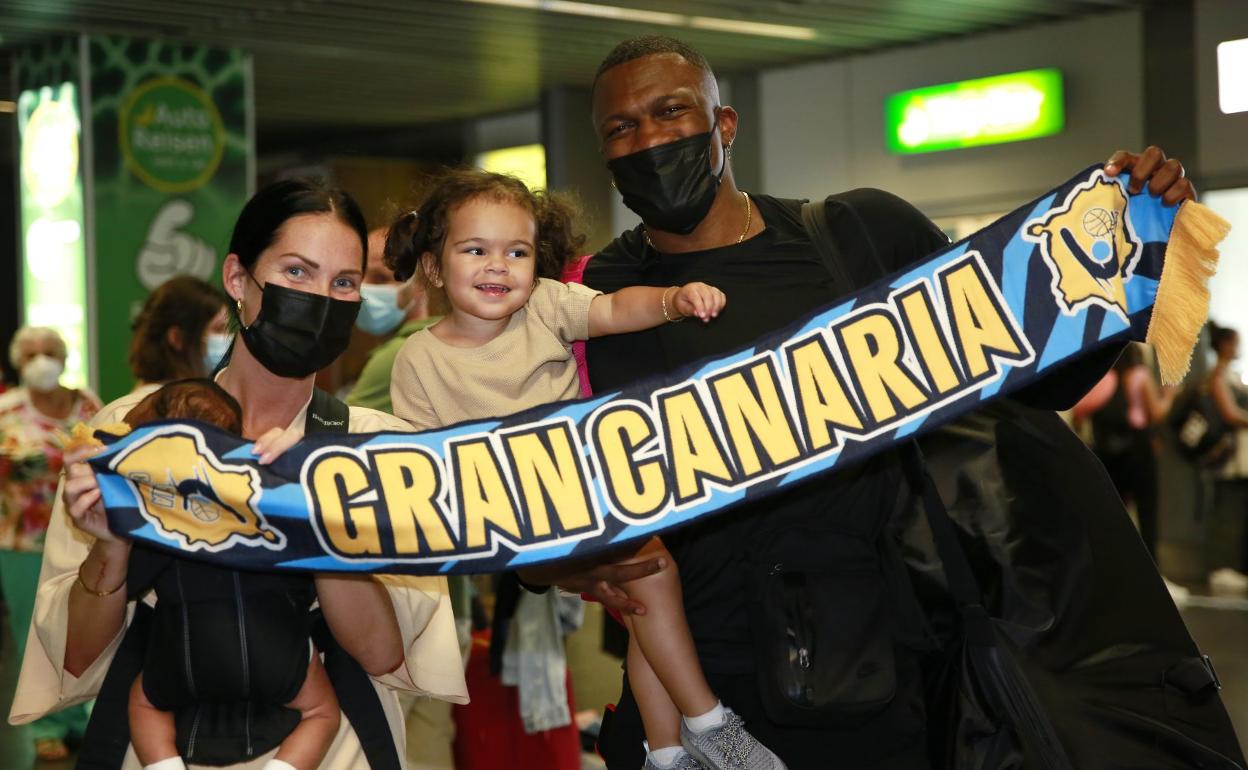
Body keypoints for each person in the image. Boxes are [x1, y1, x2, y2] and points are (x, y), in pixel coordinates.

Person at [522, 35, 1216, 770]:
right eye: (620, 128)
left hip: (872, 684)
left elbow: (1039, 381)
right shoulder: (589, 298)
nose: (650, 140)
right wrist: (547, 568)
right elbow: (523, 480)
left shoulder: (856, 239)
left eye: (671, 112)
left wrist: (1135, 241)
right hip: (681, 695)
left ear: (725, 125)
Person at [9, 178, 469, 769]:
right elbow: (75, 654)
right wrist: (111, 545)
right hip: (157, 748)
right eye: (297, 272)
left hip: (335, 749)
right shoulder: (133, 429)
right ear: (237, 280)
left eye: (344, 282)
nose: (320, 298)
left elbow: (383, 654)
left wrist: (319, 515)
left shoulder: (380, 449)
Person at [382, 169, 772, 770]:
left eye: (517, 252)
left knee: (649, 599)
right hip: (512, 518)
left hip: (582, 490)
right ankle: (708, 723)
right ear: (434, 267)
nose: (498, 266)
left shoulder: (543, 304)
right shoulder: (418, 359)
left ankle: (666, 753)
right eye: (475, 250)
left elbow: (615, 309)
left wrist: (672, 301)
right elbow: (419, 463)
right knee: (656, 578)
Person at [98, 379, 338, 770]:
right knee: (321, 713)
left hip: (185, 651)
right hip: (275, 647)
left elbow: (130, 583)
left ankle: (166, 766)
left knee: (143, 702)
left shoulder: (157, 523)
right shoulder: (259, 501)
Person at [0, 326, 101, 762]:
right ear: (20, 363)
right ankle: (46, 723)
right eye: (32, 354)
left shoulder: (89, 403)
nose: (42, 360)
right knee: (34, 632)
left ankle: (82, 716)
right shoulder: (7, 409)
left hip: (83, 537)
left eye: (49, 352)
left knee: (82, 629)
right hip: (21, 542)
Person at [1086, 344, 1177, 577]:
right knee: (1147, 510)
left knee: (1115, 512)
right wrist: (1169, 396)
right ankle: (1152, 573)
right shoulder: (1140, 375)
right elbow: (1155, 413)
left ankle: (1110, 570)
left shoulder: (1105, 378)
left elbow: (1083, 412)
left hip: (1111, 453)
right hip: (1139, 448)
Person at [346, 228, 439, 415]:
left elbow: (330, 434)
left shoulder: (401, 355)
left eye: (380, 278)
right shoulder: (436, 341)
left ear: (420, 281)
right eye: (354, 278)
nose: (363, 289)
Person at [128, 275, 231, 394]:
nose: (228, 337)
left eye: (228, 328)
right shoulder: (159, 407)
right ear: (177, 338)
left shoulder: (188, 398)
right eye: (219, 329)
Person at [1206, 322, 1248, 593]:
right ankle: (1222, 567)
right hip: (1227, 457)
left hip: (1239, 458)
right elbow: (1229, 414)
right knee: (1227, 511)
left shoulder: (1231, 376)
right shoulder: (1218, 376)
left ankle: (1233, 565)